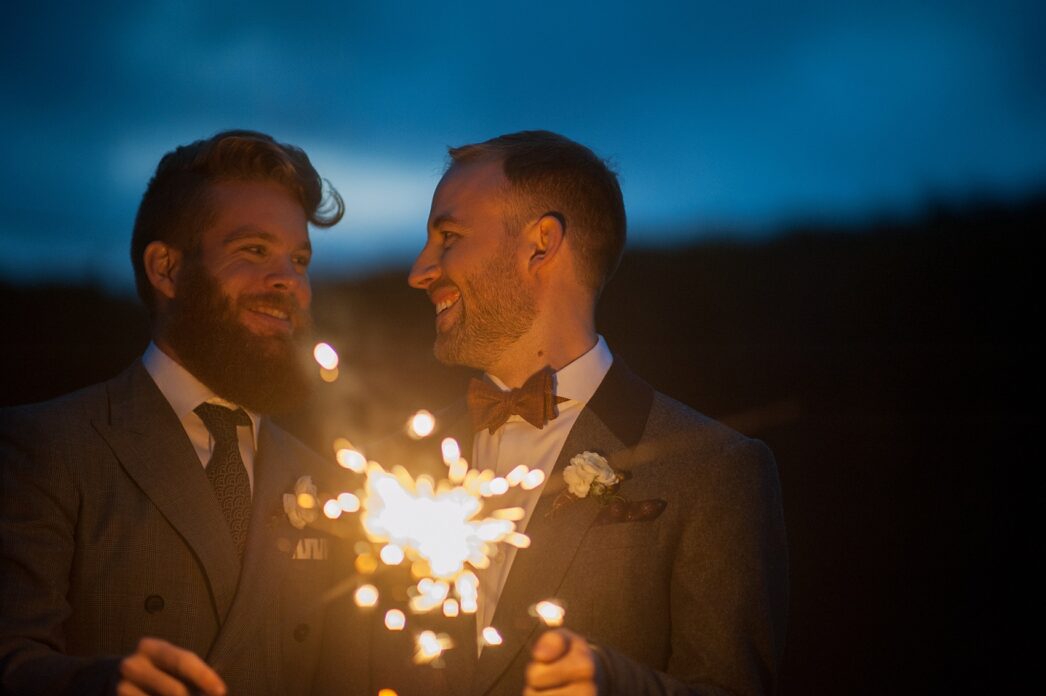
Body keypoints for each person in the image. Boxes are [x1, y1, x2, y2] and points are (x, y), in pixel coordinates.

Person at [383, 131, 788, 695]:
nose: (420, 270)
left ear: (542, 244)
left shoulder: (712, 469)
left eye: (448, 237)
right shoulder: (396, 463)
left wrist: (613, 685)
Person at [0, 130, 353, 696]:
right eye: (254, 250)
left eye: (299, 259)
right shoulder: (47, 447)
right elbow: (10, 659)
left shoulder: (331, 480)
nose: (289, 280)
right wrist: (99, 684)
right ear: (166, 269)